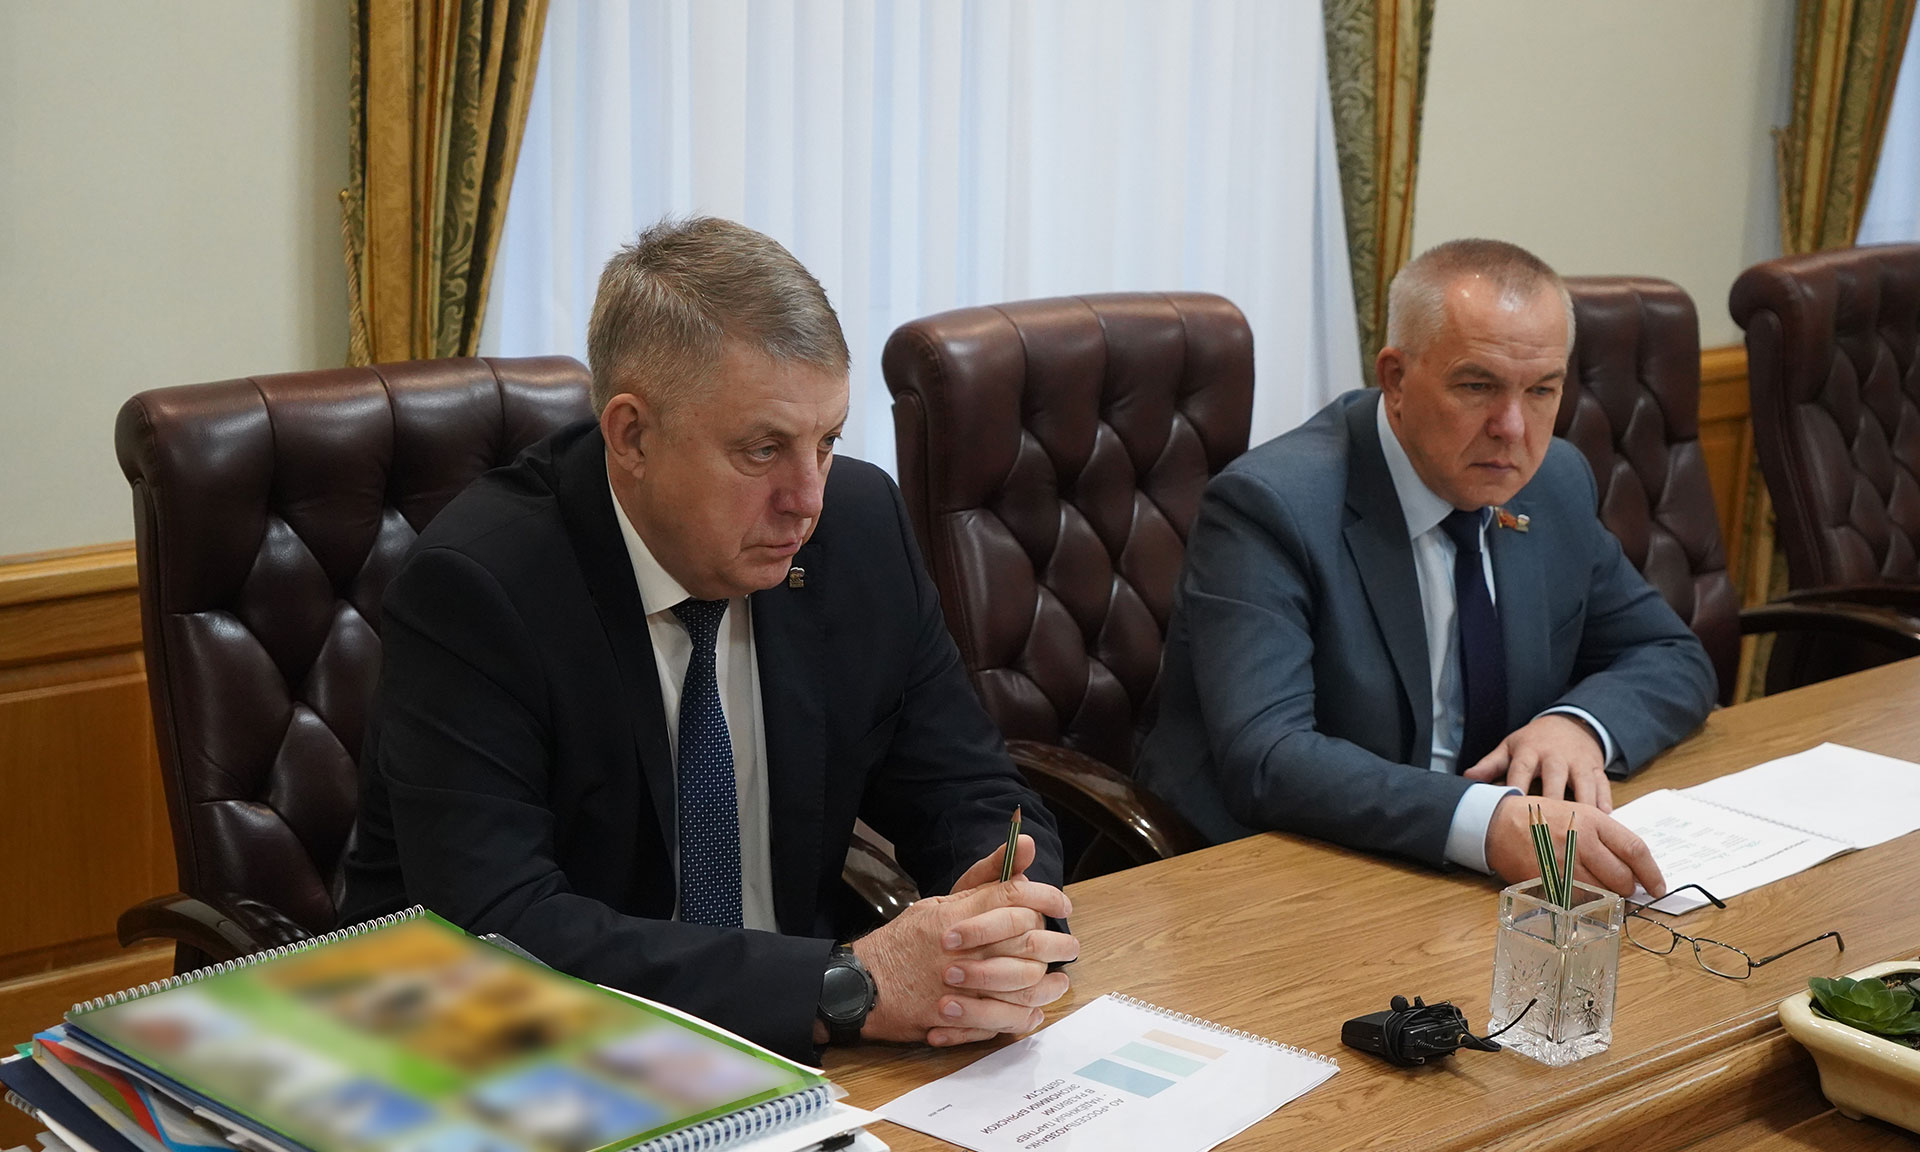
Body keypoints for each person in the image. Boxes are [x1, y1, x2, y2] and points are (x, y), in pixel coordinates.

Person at [339, 217, 1078, 1062]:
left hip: (805, 1061)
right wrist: (844, 985)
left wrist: (1004, 911)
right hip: (510, 1056)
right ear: (632, 436)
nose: (807, 499)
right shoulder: (480, 589)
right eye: (763, 449)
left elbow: (965, 785)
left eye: (827, 441)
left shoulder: (858, 529)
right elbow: (500, 932)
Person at [1135, 239, 1715, 898]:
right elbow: (1269, 756)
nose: (1512, 427)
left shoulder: (1552, 482)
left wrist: (1577, 725)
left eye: (1541, 390)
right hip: (1285, 873)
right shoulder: (1272, 506)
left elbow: (1670, 653)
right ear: (1395, 379)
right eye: (1477, 386)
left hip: (1479, 879)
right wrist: (1487, 823)